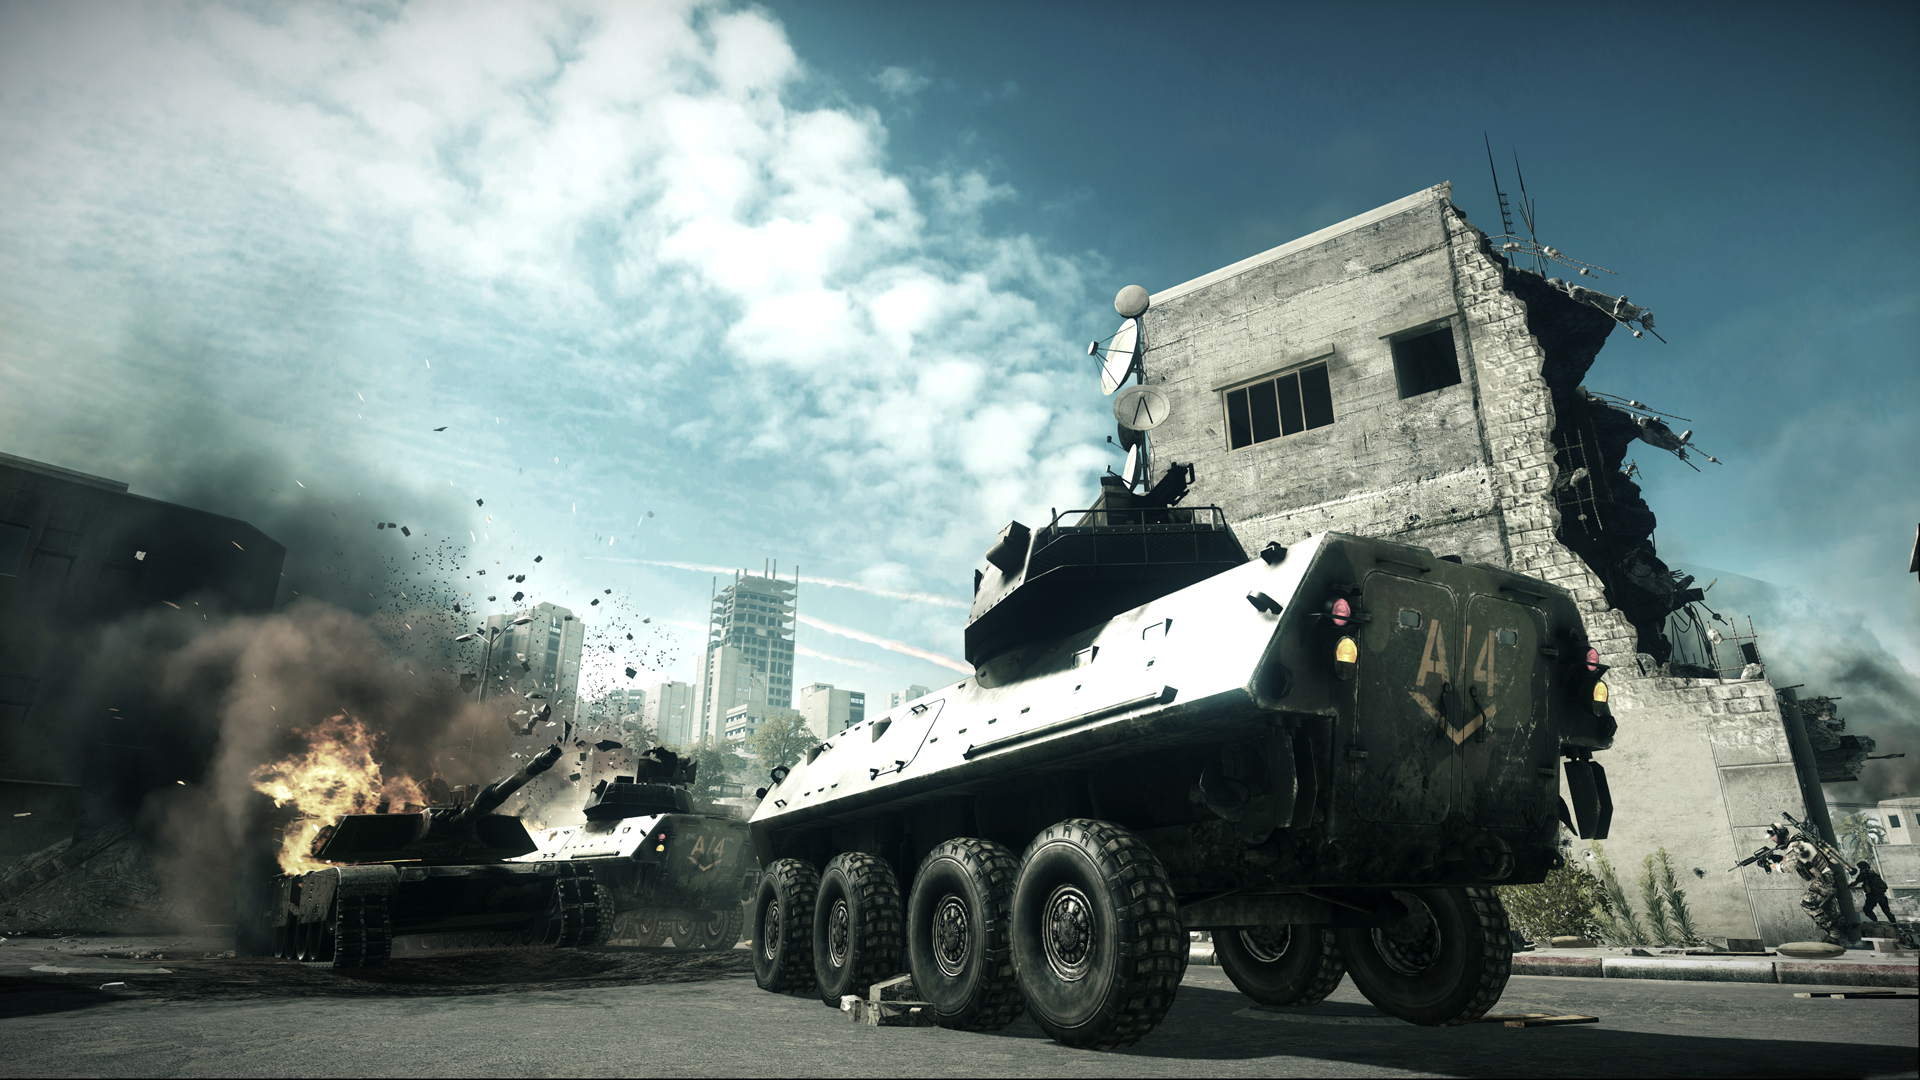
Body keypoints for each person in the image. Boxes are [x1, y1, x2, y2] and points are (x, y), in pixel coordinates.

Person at [1760, 823, 1842, 944]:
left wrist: (1769, 865)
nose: (1772, 839)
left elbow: (1787, 868)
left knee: (1807, 902)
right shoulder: (1800, 840)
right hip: (1829, 878)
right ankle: (1852, 934)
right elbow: (1800, 860)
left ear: (1781, 833)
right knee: (1829, 912)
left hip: (1823, 880)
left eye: (1773, 836)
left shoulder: (1794, 845)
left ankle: (1834, 934)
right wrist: (1779, 858)